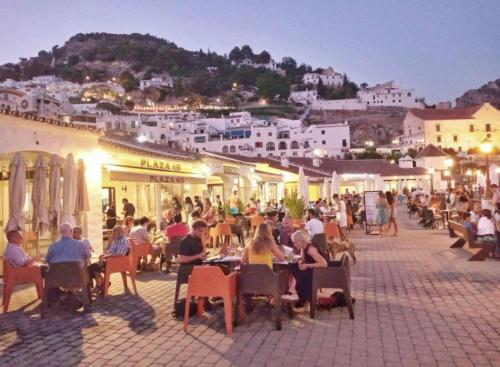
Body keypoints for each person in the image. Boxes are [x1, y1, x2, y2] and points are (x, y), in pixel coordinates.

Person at [283, 230, 328, 312]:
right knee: (293, 266)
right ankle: (299, 296)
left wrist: (307, 265)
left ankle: (296, 294)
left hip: (320, 273)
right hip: (314, 270)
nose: (294, 244)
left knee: (296, 271)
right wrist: (296, 260)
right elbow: (303, 259)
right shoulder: (304, 247)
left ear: (302, 241)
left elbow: (324, 264)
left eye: (295, 242)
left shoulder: (311, 250)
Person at [88, 226, 130, 293]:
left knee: (91, 267)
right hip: (110, 261)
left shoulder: (123, 241)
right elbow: (107, 251)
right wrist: (110, 243)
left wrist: (106, 257)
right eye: (113, 231)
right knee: (91, 267)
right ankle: (102, 283)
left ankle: (100, 285)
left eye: (115, 231)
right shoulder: (116, 241)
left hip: (116, 263)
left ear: (121, 232)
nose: (112, 233)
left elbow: (120, 254)